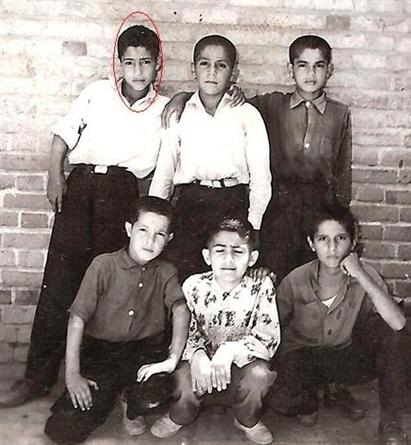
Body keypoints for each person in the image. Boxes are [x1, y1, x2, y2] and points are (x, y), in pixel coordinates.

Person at [0, 25, 169, 407]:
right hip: (81, 188)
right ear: (118, 64)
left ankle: (92, 380)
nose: (138, 71)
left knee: (107, 286)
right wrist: (54, 175)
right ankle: (36, 378)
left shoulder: (165, 108)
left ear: (157, 65)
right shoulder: (97, 93)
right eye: (130, 63)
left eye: (145, 62)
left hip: (123, 194)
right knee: (60, 284)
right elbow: (62, 136)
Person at [160, 35, 351, 284]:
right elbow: (213, 97)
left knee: (306, 274)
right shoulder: (271, 104)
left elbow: (341, 173)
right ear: (291, 69)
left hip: (309, 204)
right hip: (261, 205)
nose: (310, 73)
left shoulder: (337, 113)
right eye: (303, 65)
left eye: (319, 65)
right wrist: (183, 96)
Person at [43, 196, 190, 444]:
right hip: (102, 352)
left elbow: (181, 310)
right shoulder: (103, 265)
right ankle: (113, 391)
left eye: (160, 234)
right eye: (143, 230)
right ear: (129, 229)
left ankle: (130, 404)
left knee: (157, 393)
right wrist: (72, 375)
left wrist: (172, 359)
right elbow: (77, 319)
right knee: (63, 430)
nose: (150, 241)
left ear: (169, 239)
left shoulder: (167, 272)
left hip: (144, 352)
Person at [270, 201, 410, 445]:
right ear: (311, 244)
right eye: (323, 239)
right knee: (281, 401)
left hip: (345, 356)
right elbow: (271, 328)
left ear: (352, 243)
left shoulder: (365, 274)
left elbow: (398, 324)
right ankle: (318, 396)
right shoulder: (296, 280)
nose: (332, 248)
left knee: (390, 334)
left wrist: (360, 274)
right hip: (305, 359)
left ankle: (390, 421)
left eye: (340, 238)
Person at [149, 34, 271, 282]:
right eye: (204, 63)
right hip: (190, 204)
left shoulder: (247, 114)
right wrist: (154, 219)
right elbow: (165, 171)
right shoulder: (178, 114)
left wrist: (253, 225)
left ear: (233, 73)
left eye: (221, 65)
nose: (212, 72)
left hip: (232, 202)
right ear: (192, 69)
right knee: (185, 276)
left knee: (227, 277)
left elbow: (261, 177)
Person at [150, 215, 280, 445]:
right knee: (182, 380)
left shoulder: (262, 286)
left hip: (240, 366)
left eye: (238, 251)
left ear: (252, 258)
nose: (229, 259)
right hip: (200, 367)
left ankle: (245, 419)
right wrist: (198, 355)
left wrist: (230, 350)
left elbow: (268, 337)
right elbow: (183, 331)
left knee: (260, 375)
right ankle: (181, 415)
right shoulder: (193, 285)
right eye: (220, 251)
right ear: (207, 256)